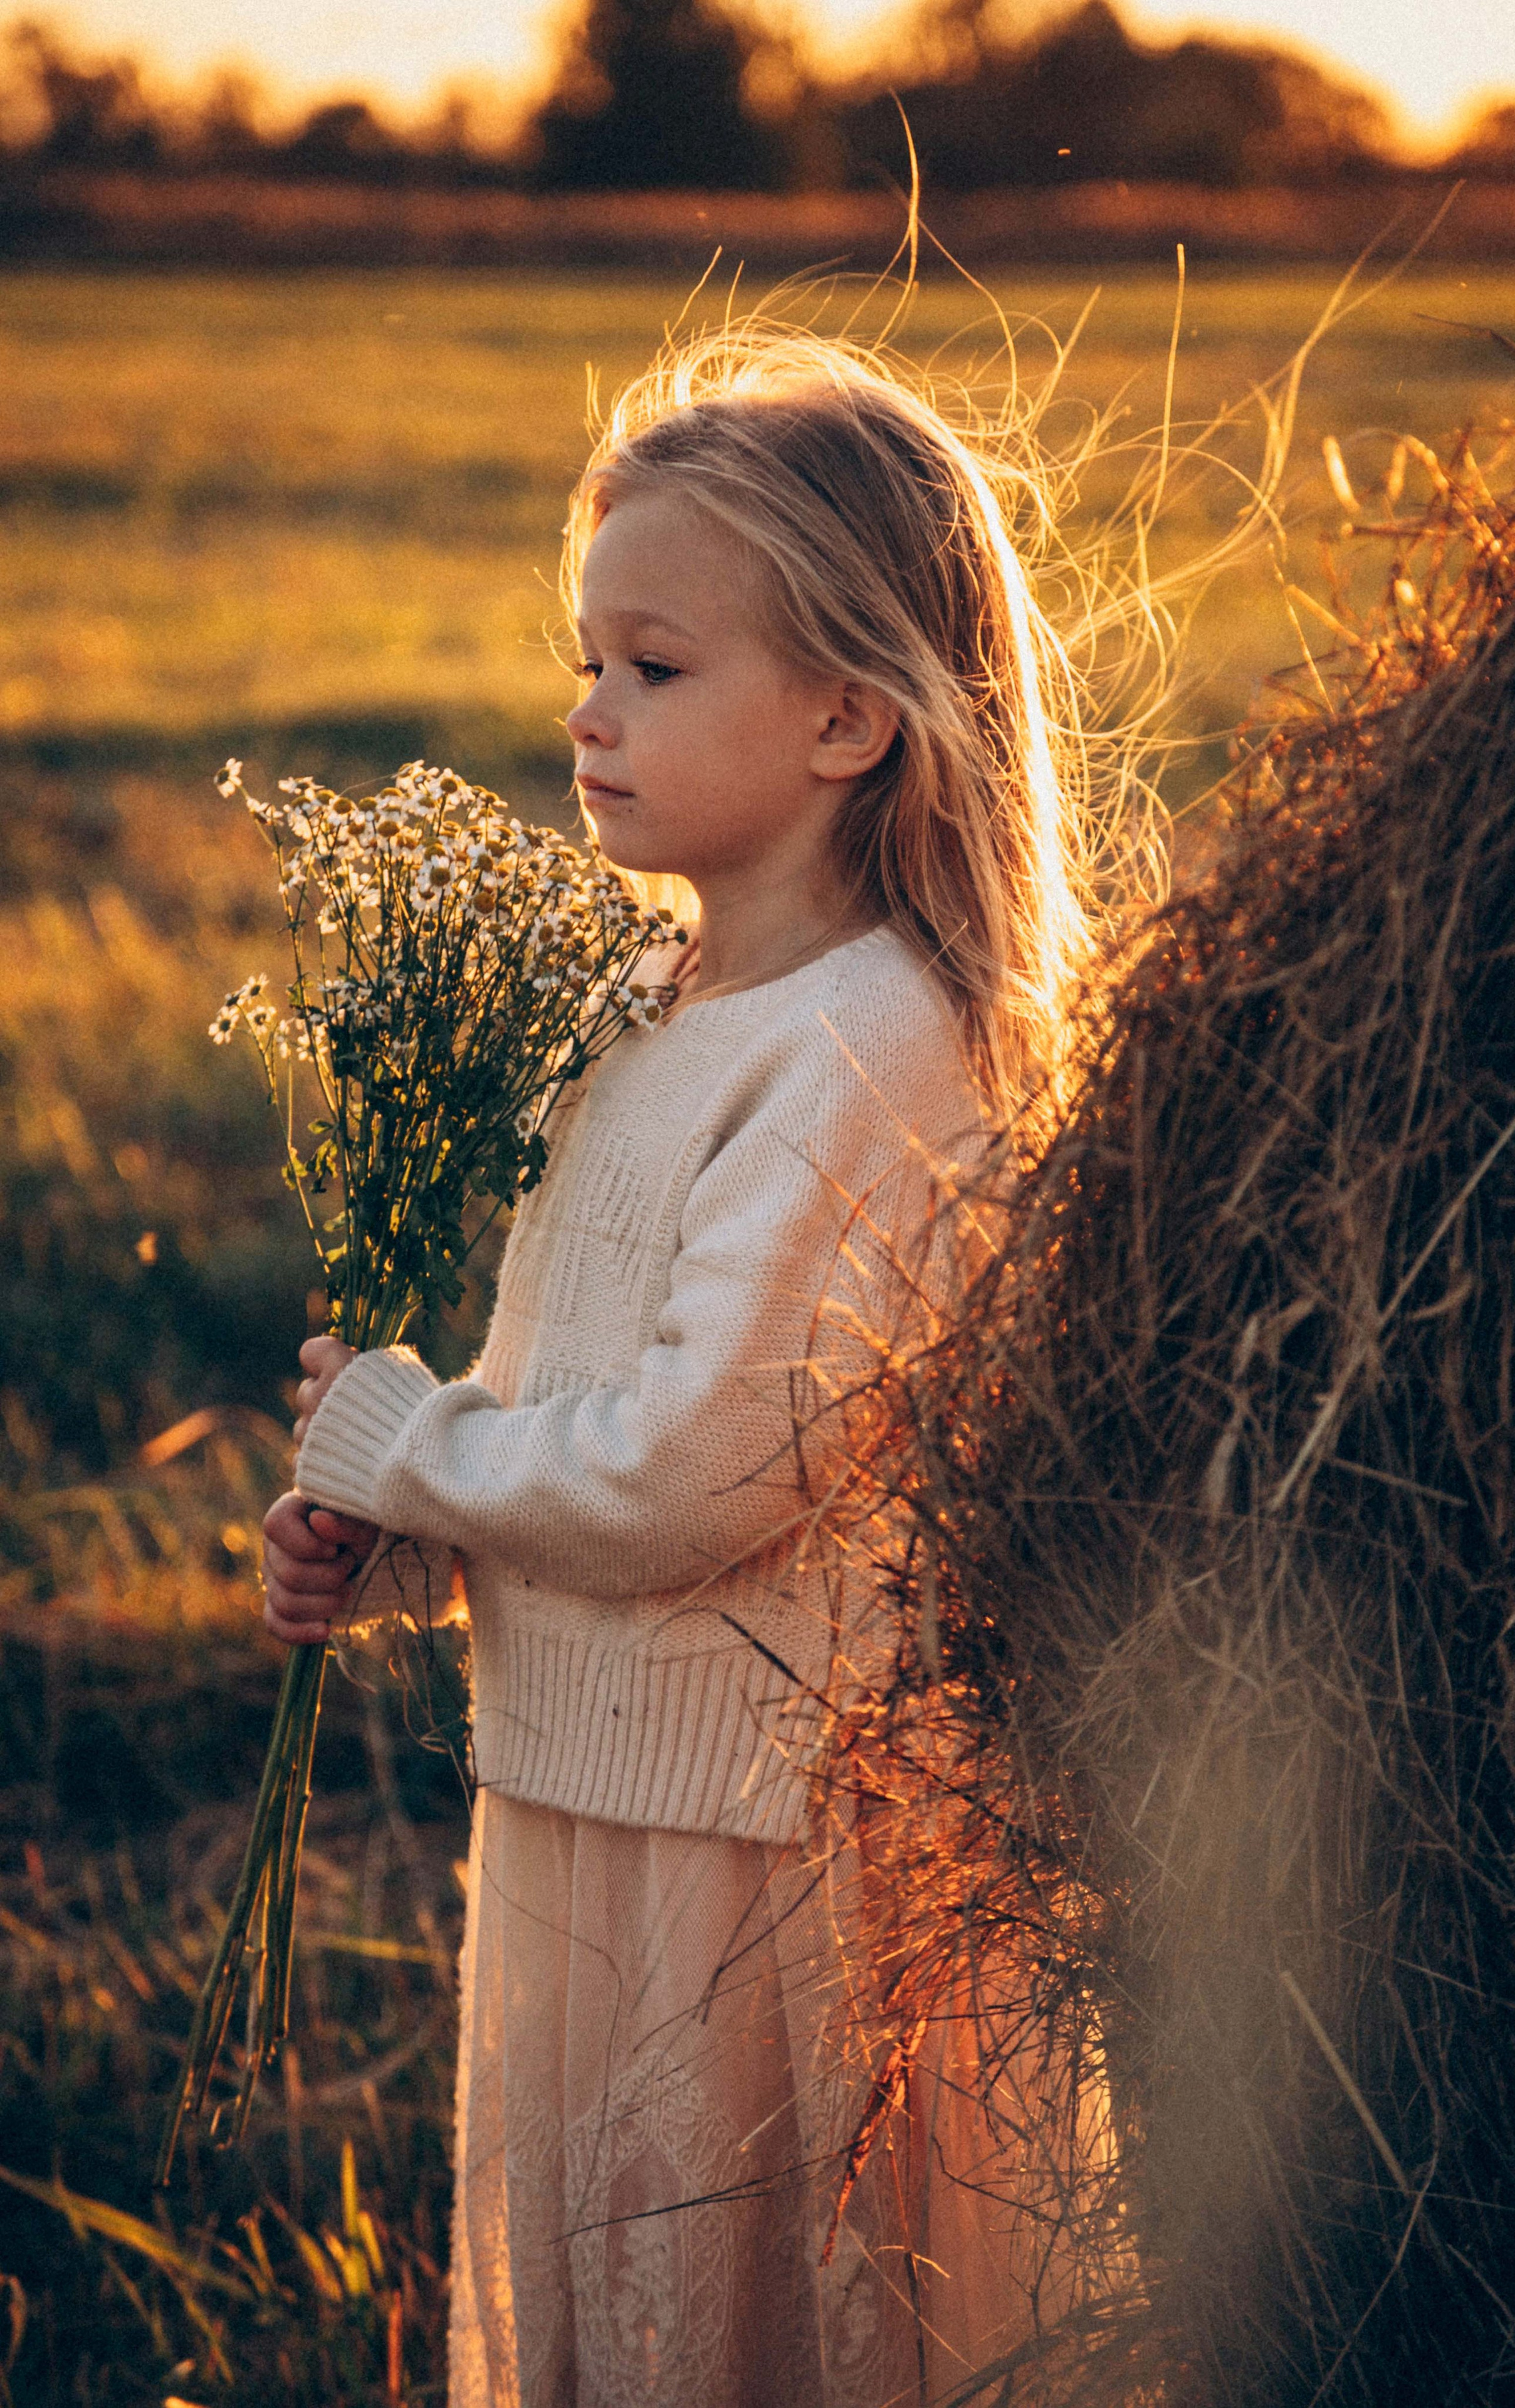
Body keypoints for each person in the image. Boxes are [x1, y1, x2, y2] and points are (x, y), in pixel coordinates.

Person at [259, 325, 1091, 2407]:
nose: (587, 711)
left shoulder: (872, 1045)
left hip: (760, 1854)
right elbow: (569, 1401)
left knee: (746, 2325)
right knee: (615, 2307)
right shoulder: (644, 1001)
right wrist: (401, 1533)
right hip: (587, 1787)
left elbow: (694, 1470)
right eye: (589, 658)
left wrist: (409, 1437)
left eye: (653, 666)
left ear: (845, 716)